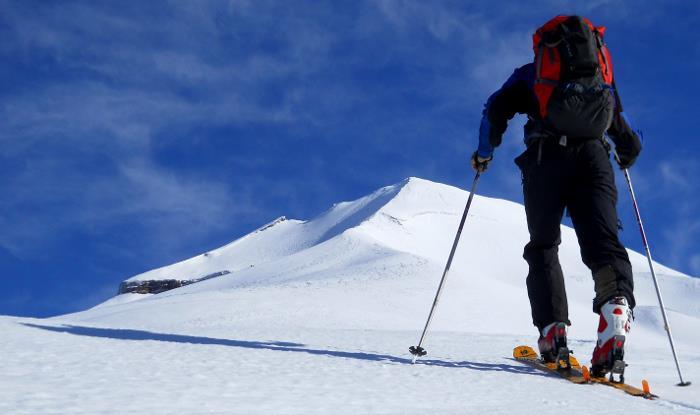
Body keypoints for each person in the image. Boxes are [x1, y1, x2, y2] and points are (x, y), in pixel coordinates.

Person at [471, 15, 642, 378]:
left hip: (545, 158)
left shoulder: (530, 73)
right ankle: (615, 308)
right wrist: (627, 150)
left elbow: (495, 109)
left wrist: (484, 152)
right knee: (603, 242)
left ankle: (553, 333)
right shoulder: (601, 75)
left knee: (544, 245)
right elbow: (619, 126)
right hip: (594, 159)